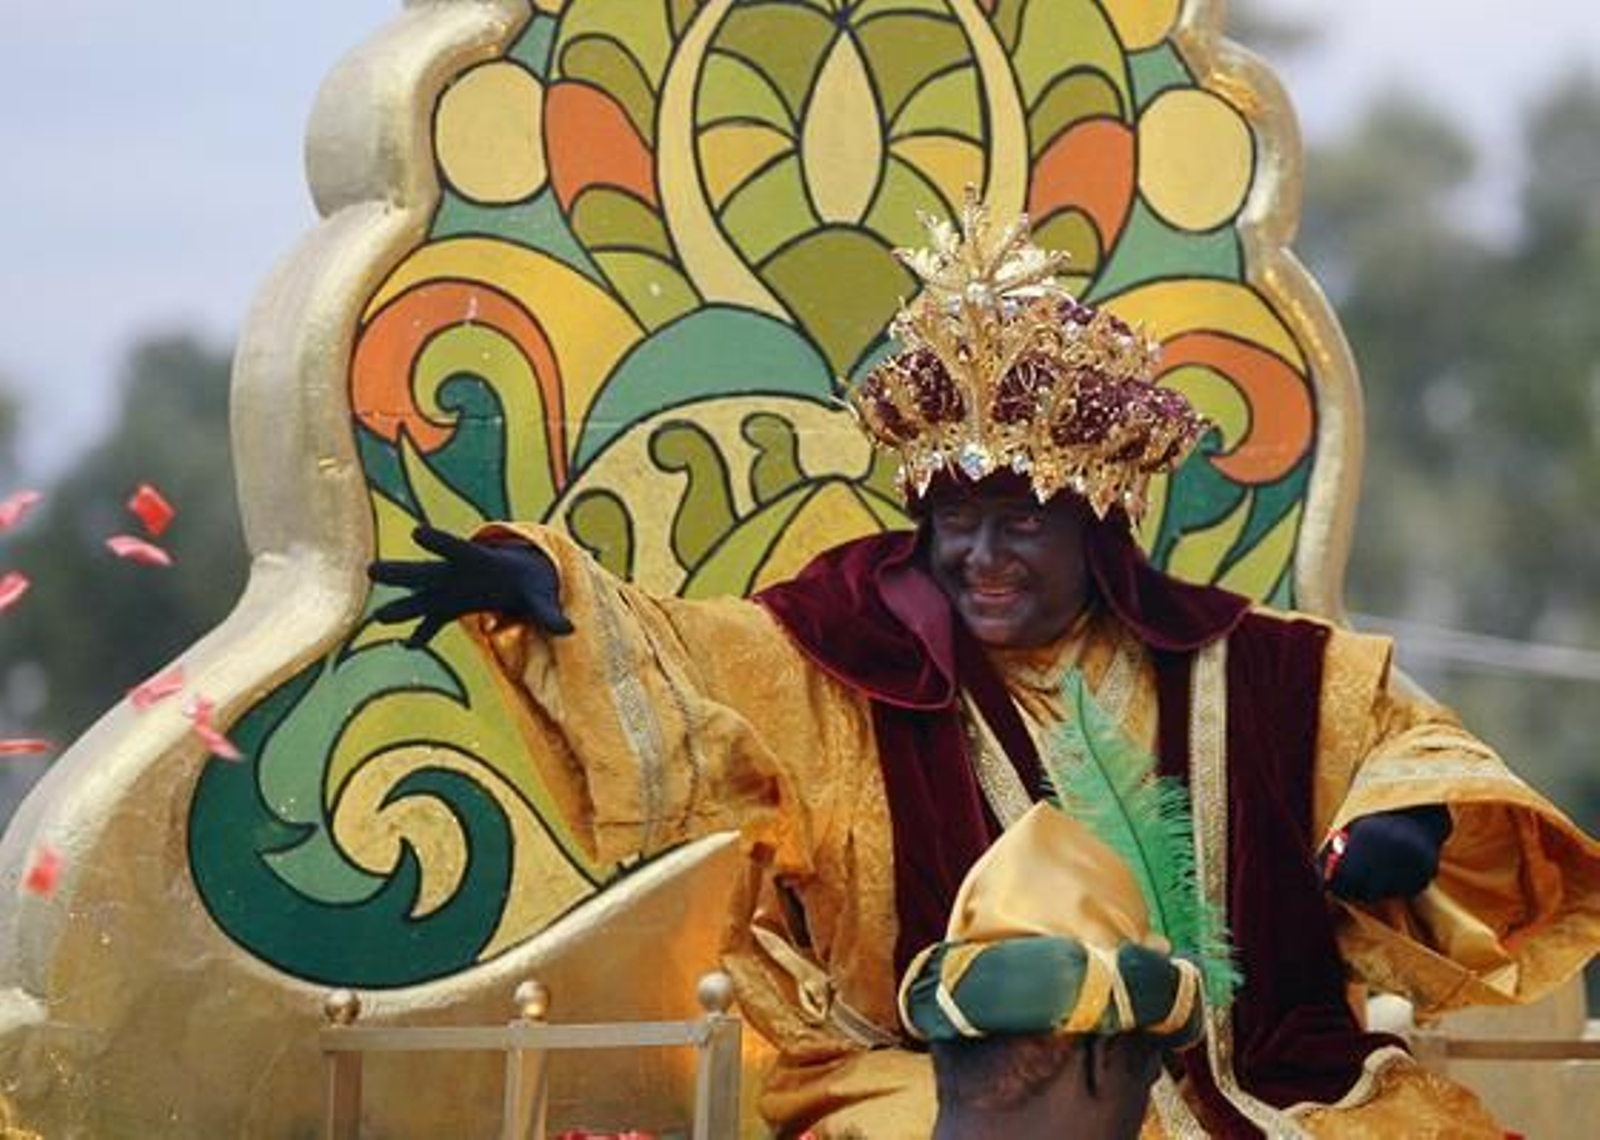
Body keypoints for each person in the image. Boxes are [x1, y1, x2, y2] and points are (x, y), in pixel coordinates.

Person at [370, 199, 1600, 1137]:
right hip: (931, 1073)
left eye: (1019, 523)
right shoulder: (852, 647)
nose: (979, 556)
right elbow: (690, 653)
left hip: (1255, 1078)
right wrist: (550, 590)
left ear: (1095, 532)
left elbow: (1399, 737)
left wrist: (1410, 818)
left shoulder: (1243, 665)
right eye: (954, 521)